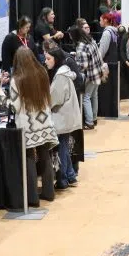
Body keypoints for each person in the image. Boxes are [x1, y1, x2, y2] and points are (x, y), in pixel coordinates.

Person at [0, 47, 59, 206]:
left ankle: (32, 198)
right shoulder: (42, 72)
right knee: (45, 155)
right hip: (45, 122)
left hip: (28, 126)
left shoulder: (17, 79)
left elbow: (13, 106)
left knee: (29, 157)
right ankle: (49, 192)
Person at [45, 46, 81, 190]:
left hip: (62, 117)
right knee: (64, 146)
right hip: (66, 116)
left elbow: (54, 99)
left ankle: (63, 179)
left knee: (61, 147)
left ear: (56, 59)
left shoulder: (60, 76)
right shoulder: (64, 72)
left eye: (48, 59)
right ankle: (70, 175)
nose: (46, 62)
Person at [70, 19, 102, 130]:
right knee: (94, 95)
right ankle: (93, 118)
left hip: (89, 74)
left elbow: (83, 65)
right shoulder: (91, 40)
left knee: (86, 98)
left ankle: (89, 122)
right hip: (97, 71)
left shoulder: (81, 46)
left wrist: (75, 65)